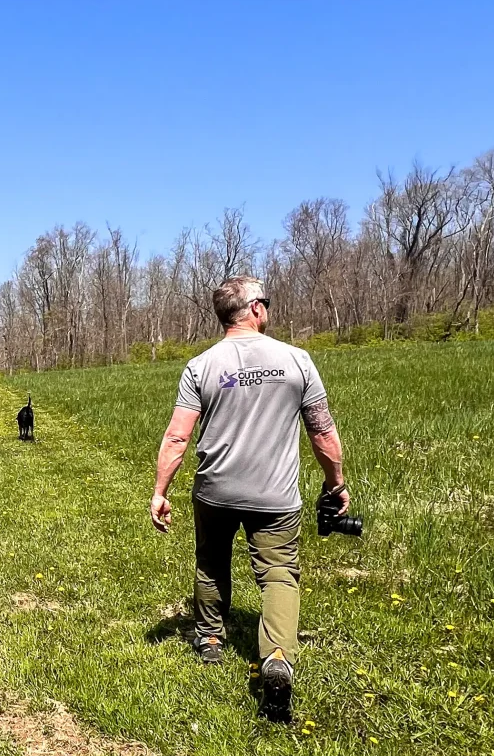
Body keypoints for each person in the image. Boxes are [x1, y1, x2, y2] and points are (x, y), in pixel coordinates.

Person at [149, 276, 348, 720]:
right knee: (279, 574)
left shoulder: (200, 366)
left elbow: (178, 437)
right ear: (255, 309)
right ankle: (276, 657)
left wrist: (161, 491)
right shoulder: (297, 361)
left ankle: (211, 639)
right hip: (275, 495)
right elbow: (322, 433)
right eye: (268, 303)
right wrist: (335, 483)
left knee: (211, 560)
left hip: (215, 491)